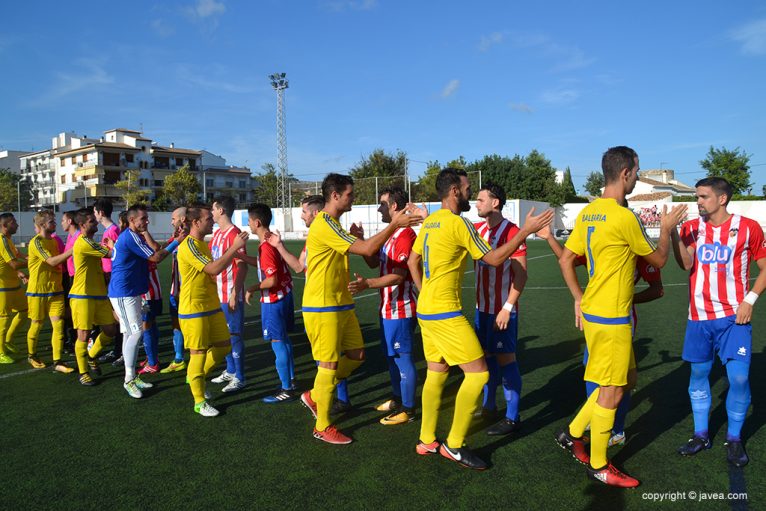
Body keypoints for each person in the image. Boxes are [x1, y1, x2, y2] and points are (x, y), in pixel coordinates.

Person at [555, 146, 686, 487]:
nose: (636, 179)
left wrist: (579, 298)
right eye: (637, 172)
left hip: (599, 312)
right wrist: (668, 228)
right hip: (612, 318)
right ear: (626, 173)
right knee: (611, 392)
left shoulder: (588, 213)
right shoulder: (623, 216)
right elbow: (657, 262)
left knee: (626, 380)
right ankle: (598, 464)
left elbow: (566, 259)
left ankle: (571, 433)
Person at [407, 168, 552, 470]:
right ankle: (455, 444)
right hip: (446, 313)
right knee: (478, 373)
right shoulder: (459, 224)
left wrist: (425, 291)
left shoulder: (431, 222)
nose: (472, 194)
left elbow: (412, 260)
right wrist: (527, 230)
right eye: (468, 188)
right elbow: (495, 259)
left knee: (436, 373)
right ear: (455, 192)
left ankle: (426, 439)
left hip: (427, 311)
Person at [299, 173, 421, 445]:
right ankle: (323, 425)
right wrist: (394, 226)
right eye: (350, 194)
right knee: (329, 366)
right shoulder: (324, 224)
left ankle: (315, 395)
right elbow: (367, 248)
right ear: (335, 196)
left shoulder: (334, 224)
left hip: (341, 304)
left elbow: (365, 251)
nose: (353, 198)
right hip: (322, 307)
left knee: (356, 355)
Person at [538, 222, 664, 446]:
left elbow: (658, 288)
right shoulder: (601, 243)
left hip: (620, 319)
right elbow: (567, 259)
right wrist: (549, 237)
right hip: (596, 317)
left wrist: (627, 298)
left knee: (620, 379)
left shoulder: (638, 249)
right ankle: (595, 420)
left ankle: (614, 430)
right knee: (595, 371)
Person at [671, 177, 766, 468]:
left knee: (738, 378)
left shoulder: (748, 228)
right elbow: (686, 264)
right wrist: (672, 232)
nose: (698, 202)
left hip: (733, 318)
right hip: (698, 318)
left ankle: (735, 438)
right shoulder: (690, 228)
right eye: (697, 197)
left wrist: (749, 299)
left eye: (703, 197)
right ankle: (701, 434)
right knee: (699, 375)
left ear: (722, 199)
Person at [348, 186, 418, 425]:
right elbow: (373, 262)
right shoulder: (390, 233)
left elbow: (398, 276)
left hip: (401, 308)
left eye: (382, 203)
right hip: (387, 308)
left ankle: (408, 409)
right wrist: (360, 240)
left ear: (394, 206)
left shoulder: (406, 235)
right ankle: (398, 399)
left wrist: (368, 284)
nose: (378, 208)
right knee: (391, 358)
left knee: (402, 357)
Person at [177, 204, 248, 416]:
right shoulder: (189, 245)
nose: (212, 221)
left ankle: (196, 377)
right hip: (193, 308)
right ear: (196, 222)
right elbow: (213, 269)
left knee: (223, 346)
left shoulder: (201, 244)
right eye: (208, 218)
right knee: (197, 353)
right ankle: (199, 401)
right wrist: (234, 247)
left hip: (211, 305)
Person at [472, 182, 528, 436]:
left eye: (481, 200)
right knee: (486, 357)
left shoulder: (512, 231)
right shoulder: (477, 229)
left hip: (501, 311)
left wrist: (507, 307)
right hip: (481, 309)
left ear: (495, 203)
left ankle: (512, 417)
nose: (476, 204)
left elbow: (521, 275)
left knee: (506, 360)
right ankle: (489, 406)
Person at [108, 205, 177, 398]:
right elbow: (155, 257)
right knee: (136, 332)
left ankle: (130, 376)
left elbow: (153, 252)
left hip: (130, 291)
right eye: (143, 219)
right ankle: (129, 380)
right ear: (131, 220)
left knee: (129, 333)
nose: (147, 222)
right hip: (123, 292)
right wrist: (177, 241)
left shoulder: (134, 236)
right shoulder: (130, 237)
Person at [244, 203, 297, 403]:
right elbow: (265, 265)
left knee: (277, 343)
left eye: (249, 221)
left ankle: (286, 389)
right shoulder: (270, 241)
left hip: (274, 300)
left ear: (257, 222)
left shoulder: (265, 246)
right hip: (284, 296)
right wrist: (240, 256)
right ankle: (290, 381)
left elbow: (271, 280)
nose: (248, 224)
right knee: (284, 340)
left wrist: (251, 288)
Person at [70, 208, 117, 386]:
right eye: (91, 221)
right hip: (82, 295)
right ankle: (83, 372)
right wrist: (112, 245)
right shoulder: (83, 242)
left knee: (110, 330)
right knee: (83, 333)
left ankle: (91, 355)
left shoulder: (90, 242)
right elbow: (112, 254)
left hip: (98, 294)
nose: (95, 222)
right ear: (82, 225)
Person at [208, 196, 248, 393]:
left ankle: (240, 377)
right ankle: (231, 370)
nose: (211, 213)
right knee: (222, 336)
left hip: (230, 294)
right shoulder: (217, 234)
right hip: (217, 294)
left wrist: (234, 293)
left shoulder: (235, 234)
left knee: (234, 336)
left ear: (221, 210)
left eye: (213, 209)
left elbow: (242, 267)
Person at [25, 210, 74, 372]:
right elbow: (52, 261)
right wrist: (73, 250)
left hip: (56, 290)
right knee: (37, 324)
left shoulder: (53, 241)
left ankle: (58, 361)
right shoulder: (36, 242)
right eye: (52, 222)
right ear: (42, 225)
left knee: (59, 325)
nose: (55, 224)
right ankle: (32, 355)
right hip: (37, 291)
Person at [93, 199, 121, 364]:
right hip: (109, 275)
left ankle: (119, 350)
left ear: (100, 212)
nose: (94, 215)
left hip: (112, 276)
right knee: (113, 316)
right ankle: (117, 349)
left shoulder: (112, 231)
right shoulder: (109, 230)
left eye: (95, 212)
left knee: (117, 316)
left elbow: (117, 252)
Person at [161, 207, 188, 373]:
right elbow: (160, 249)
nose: (171, 222)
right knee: (176, 324)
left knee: (189, 325)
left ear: (183, 219)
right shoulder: (177, 237)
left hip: (185, 290)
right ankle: (179, 359)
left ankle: (197, 360)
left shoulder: (189, 238)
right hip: (175, 289)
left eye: (173, 218)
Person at [0, 213, 29, 363]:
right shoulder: (2, 241)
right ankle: (0, 352)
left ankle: (8, 340)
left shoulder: (8, 240)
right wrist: (34, 262)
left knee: (24, 311)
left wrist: (27, 258)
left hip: (13, 285)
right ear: (5, 226)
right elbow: (13, 264)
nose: (17, 225)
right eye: (14, 222)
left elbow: (16, 255)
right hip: (3, 287)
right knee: (3, 319)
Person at [62, 210, 80, 354]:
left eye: (63, 220)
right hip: (71, 276)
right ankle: (71, 339)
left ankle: (78, 341)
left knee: (76, 311)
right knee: (70, 310)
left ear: (69, 221)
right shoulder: (70, 236)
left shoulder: (78, 236)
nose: (61, 223)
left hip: (78, 278)